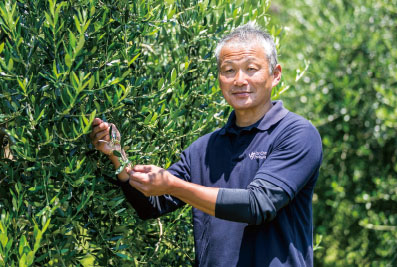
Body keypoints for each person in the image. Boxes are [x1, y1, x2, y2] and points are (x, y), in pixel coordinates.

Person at [90, 23, 322, 267]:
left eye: (251, 69)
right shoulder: (204, 149)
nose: (239, 80)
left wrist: (174, 185)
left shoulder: (297, 134)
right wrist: (116, 154)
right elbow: (151, 205)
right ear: (219, 78)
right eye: (229, 70)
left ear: (275, 75)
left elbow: (259, 204)